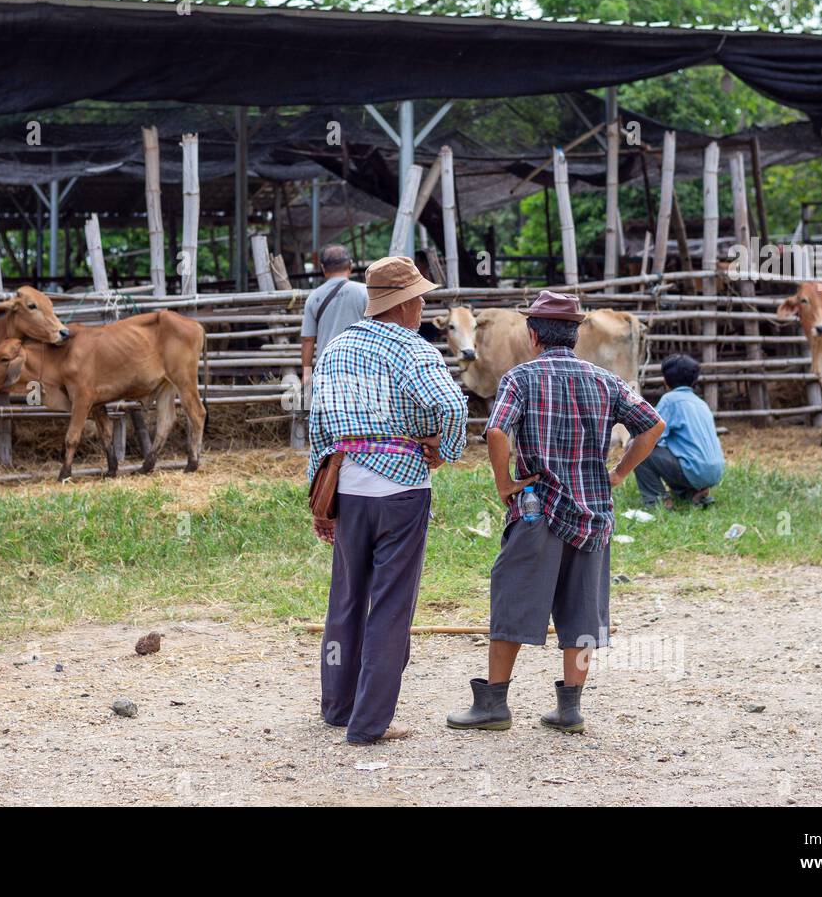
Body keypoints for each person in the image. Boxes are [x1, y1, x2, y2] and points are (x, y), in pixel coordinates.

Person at [447, 291, 664, 735]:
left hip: (537, 510)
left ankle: (494, 703)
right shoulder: (604, 381)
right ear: (577, 332)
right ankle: (570, 710)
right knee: (583, 611)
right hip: (592, 512)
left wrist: (504, 482)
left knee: (513, 602)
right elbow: (653, 425)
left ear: (532, 334)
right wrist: (619, 473)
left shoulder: (519, 379)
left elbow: (495, 432)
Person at [308, 256, 468, 745]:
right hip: (402, 490)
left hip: (349, 486)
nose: (422, 305)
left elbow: (319, 424)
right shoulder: (413, 350)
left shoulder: (336, 349)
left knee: (347, 599)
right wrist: (445, 448)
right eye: (418, 297)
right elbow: (451, 406)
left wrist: (321, 499)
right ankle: (370, 722)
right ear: (400, 304)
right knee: (392, 606)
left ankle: (338, 707)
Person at [633, 354, 725, 508]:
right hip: (715, 471)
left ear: (665, 381)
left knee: (638, 448)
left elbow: (651, 433)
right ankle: (692, 494)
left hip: (694, 469)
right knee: (673, 451)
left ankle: (657, 501)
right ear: (694, 380)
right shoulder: (700, 403)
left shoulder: (671, 400)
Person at [301, 245, 368, 393]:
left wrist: (306, 375)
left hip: (327, 370)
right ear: (350, 265)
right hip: (361, 368)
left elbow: (308, 340)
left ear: (323, 268)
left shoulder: (314, 297)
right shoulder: (365, 292)